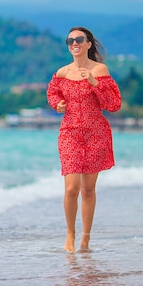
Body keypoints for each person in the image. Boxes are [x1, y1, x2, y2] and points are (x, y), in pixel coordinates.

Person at [46, 26, 121, 253]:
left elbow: (114, 104)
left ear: (89, 43)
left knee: (88, 189)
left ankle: (85, 239)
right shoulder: (62, 73)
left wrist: (95, 83)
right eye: (70, 41)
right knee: (71, 188)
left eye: (79, 39)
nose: (74, 43)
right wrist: (57, 104)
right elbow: (53, 94)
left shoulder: (100, 70)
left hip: (95, 133)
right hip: (69, 132)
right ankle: (70, 234)